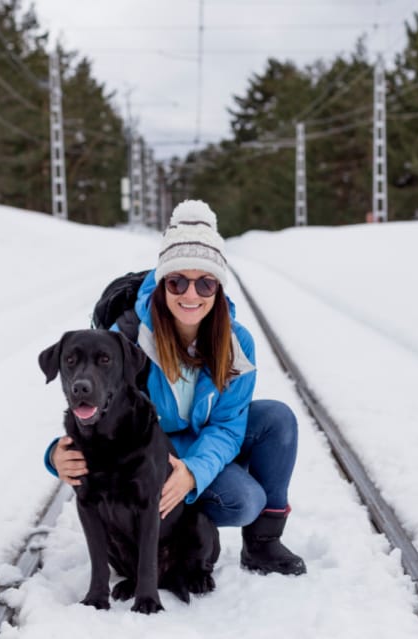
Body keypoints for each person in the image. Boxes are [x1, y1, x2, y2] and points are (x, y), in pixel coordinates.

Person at [44, 199, 306, 576]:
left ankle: (263, 544)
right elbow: (91, 409)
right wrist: (55, 455)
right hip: (148, 456)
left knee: (276, 419)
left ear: (217, 288)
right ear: (163, 283)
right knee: (241, 500)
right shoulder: (128, 339)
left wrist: (194, 473)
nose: (191, 294)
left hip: (198, 446)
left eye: (205, 282)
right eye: (177, 281)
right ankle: (172, 524)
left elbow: (229, 425)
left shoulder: (236, 342)